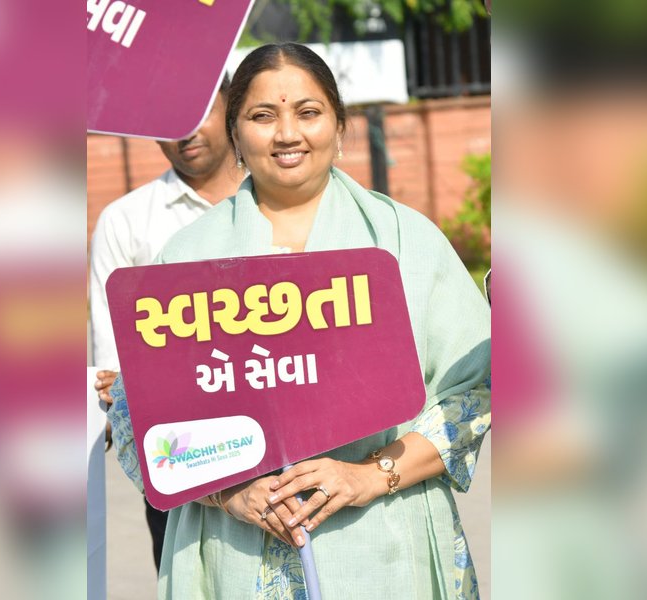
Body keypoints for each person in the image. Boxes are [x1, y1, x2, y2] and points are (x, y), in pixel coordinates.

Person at [108, 42, 490, 599]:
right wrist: (226, 493)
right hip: (233, 553)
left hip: (386, 543)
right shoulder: (186, 259)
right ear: (236, 135)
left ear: (339, 126)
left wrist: (366, 476)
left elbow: (474, 387)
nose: (287, 133)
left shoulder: (406, 241)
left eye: (307, 113)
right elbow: (135, 413)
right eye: (263, 116)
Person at [90, 75, 242, 571]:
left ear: (230, 105)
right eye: (165, 120)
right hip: (179, 457)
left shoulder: (282, 201)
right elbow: (114, 376)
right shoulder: (127, 221)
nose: (184, 131)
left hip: (290, 451)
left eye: (198, 109)